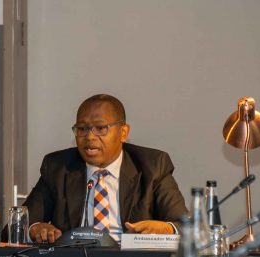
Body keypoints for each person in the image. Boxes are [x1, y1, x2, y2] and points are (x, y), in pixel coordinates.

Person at [24, 94, 187, 243]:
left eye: (100, 128)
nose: (89, 137)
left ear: (123, 133)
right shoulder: (57, 168)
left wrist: (166, 229)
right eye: (82, 129)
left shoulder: (153, 166)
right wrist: (35, 229)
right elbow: (22, 225)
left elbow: (185, 226)